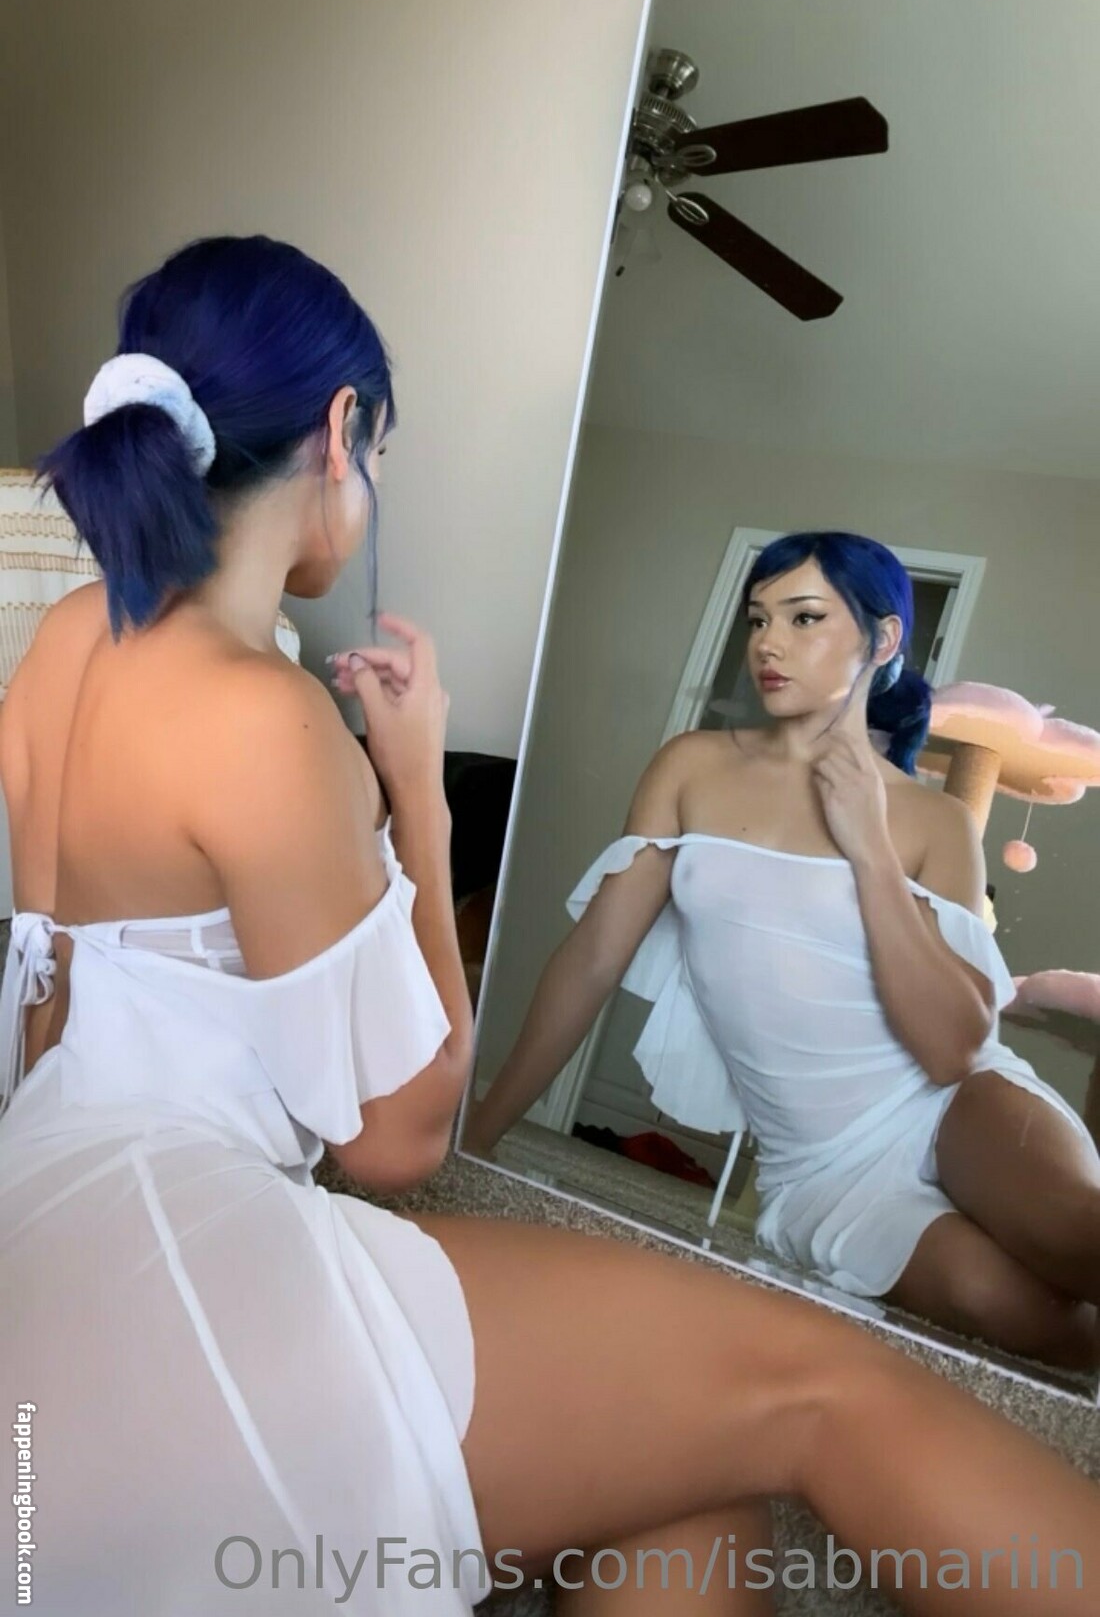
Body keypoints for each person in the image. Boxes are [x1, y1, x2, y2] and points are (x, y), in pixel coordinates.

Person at [0, 242, 1097, 1617]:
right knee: (828, 1383)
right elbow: (394, 1144)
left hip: (43, 1202)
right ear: (340, 430)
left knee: (688, 1496)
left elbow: (55, 989)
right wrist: (416, 794)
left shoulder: (66, 642)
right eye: (379, 453)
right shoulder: (262, 713)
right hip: (182, 1242)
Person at [466, 532, 1100, 1372]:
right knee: (1028, 1317)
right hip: (819, 1166)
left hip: (954, 1103)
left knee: (1078, 1241)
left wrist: (870, 849)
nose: (768, 642)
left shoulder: (936, 822)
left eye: (804, 618)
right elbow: (591, 961)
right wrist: (481, 1129)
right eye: (758, 618)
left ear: (882, 640)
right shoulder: (691, 767)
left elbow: (953, 1050)